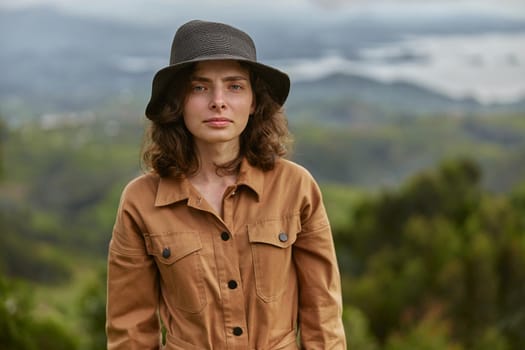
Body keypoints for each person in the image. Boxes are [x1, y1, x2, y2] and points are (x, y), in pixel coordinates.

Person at [106, 19, 347, 349]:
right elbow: (130, 331)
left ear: (253, 101)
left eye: (235, 86)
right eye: (200, 87)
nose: (218, 101)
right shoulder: (141, 201)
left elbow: (323, 316)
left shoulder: (296, 187)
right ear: (177, 102)